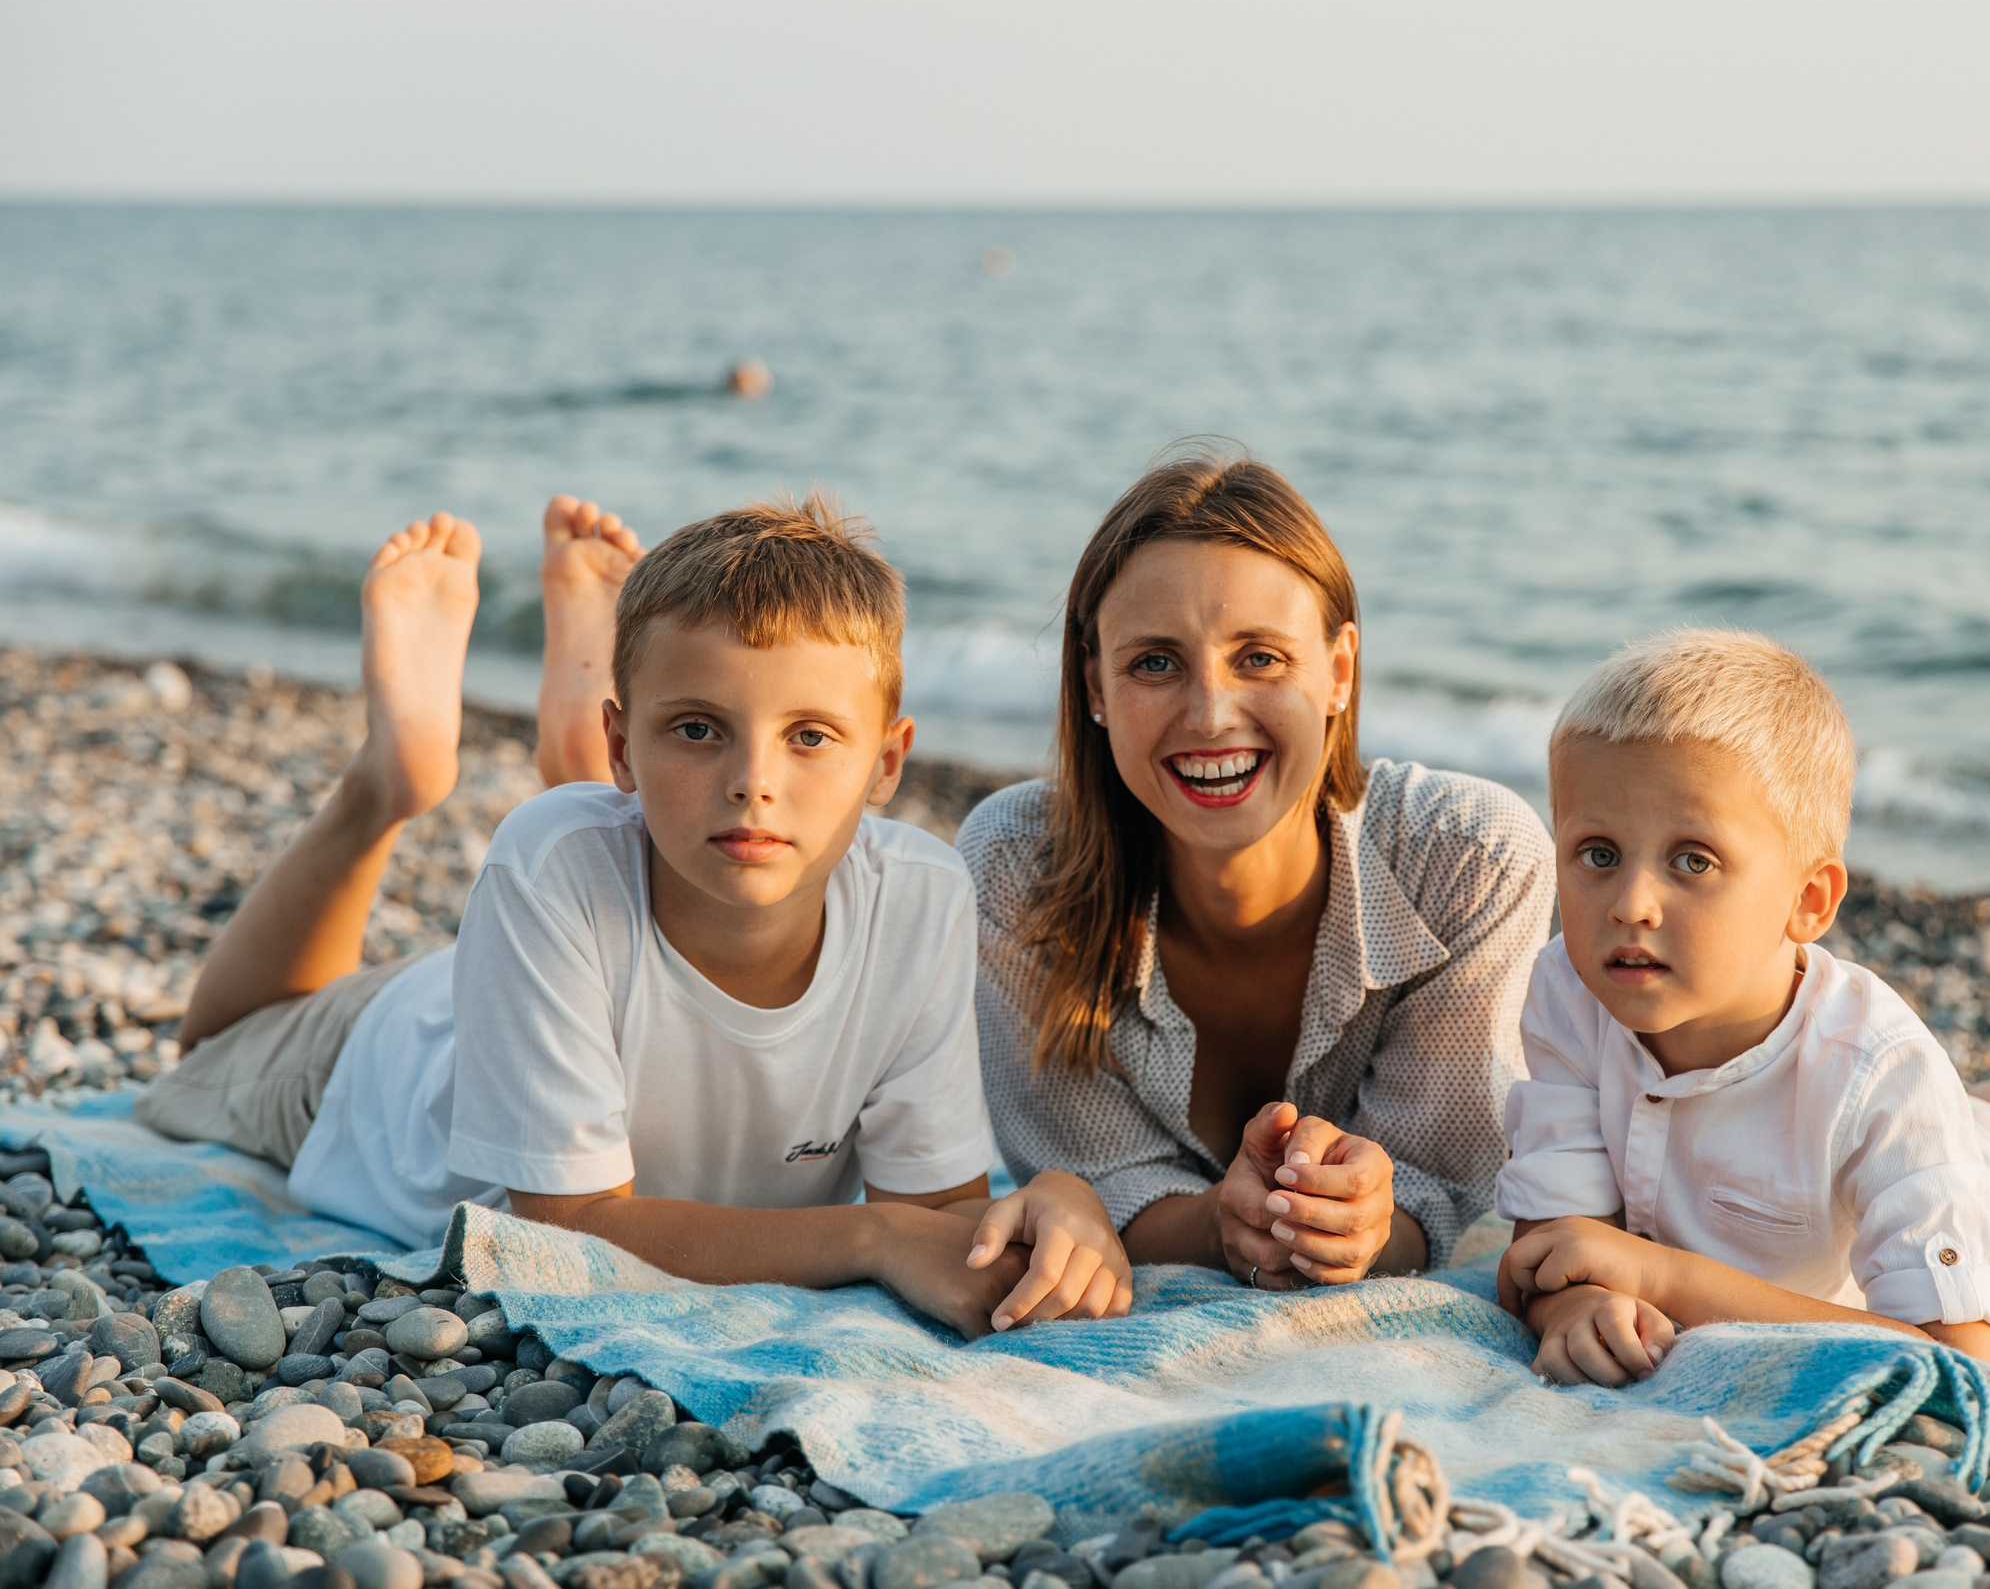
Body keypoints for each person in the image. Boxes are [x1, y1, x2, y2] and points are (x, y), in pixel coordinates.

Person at [138, 496, 1128, 1337]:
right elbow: (565, 1226)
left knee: (626, 847)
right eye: (697, 729)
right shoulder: (546, 864)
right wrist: (863, 1237)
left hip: (590, 941)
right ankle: (387, 782)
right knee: (209, 1047)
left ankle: (584, 718)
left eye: (810, 737)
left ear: (888, 762)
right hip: (387, 1055)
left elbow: (939, 1222)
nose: (754, 783)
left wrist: (1062, 1201)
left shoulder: (919, 897)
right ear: (630, 744)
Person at [1495, 629, 1990, 1384]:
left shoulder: (1881, 1068)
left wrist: (1665, 1275)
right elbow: (1558, 1238)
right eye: (1596, 854)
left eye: (1693, 860)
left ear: (1810, 901)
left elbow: (1956, 1356)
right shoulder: (1571, 985)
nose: (1631, 902)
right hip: (1900, 1132)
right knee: (1893, 1114)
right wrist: (1574, 1298)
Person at [960, 448, 1555, 1290]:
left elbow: (1438, 1191)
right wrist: (1222, 1223)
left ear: (1338, 671)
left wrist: (1358, 1225)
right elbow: (1096, 1181)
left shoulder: (1469, 858)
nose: (1209, 715)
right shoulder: (1016, 868)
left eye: (1260, 657)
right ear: (1095, 684)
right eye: (1154, 662)